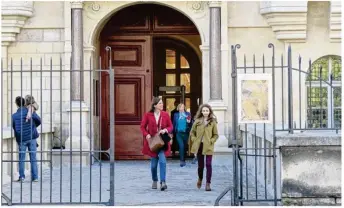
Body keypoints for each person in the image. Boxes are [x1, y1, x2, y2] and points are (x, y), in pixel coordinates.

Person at [140, 97, 173, 191]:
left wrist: (165, 130)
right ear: (155, 105)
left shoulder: (165, 115)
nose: (162, 105)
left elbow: (171, 126)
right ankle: (155, 180)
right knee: (153, 165)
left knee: (163, 161)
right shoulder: (148, 115)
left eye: (162, 103)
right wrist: (147, 135)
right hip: (153, 143)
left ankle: (163, 182)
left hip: (162, 142)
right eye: (160, 103)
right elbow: (142, 127)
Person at [12, 96, 41, 182]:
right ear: (24, 103)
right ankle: (35, 177)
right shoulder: (30, 112)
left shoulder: (14, 116)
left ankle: (22, 177)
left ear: (16, 104)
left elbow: (14, 128)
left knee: (21, 158)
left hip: (22, 139)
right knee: (33, 158)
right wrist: (33, 126)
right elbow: (39, 120)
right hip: (32, 138)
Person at [190, 104, 218, 191]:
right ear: (201, 111)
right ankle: (200, 179)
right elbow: (192, 133)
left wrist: (211, 141)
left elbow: (216, 135)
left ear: (209, 111)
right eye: (204, 110)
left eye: (207, 110)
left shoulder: (212, 122)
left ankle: (208, 183)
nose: (205, 112)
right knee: (200, 165)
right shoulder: (197, 121)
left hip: (208, 145)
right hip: (199, 146)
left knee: (209, 164)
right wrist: (195, 140)